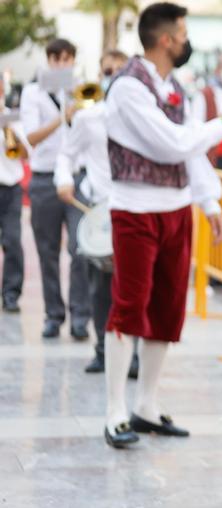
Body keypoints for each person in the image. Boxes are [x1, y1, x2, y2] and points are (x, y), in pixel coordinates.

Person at [101, 3, 222, 449]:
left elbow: (189, 152)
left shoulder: (174, 86)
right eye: (182, 32)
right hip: (135, 209)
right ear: (165, 40)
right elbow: (175, 144)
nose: (185, 40)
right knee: (129, 306)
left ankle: (146, 406)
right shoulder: (127, 89)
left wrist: (209, 200)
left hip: (176, 209)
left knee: (165, 308)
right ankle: (114, 411)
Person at [54, 49, 141, 377]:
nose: (114, 76)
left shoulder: (142, 118)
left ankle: (131, 354)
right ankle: (103, 350)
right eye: (109, 70)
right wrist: (64, 181)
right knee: (99, 284)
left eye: (120, 70)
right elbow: (66, 154)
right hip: (97, 207)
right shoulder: (89, 118)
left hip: (132, 208)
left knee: (132, 286)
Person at [20, 38, 91, 340]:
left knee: (81, 248)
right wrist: (62, 117)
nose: (63, 64)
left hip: (77, 178)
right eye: (57, 59)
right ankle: (53, 314)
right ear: (49, 61)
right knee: (47, 250)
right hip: (44, 178)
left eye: (68, 59)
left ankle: (80, 316)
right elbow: (30, 139)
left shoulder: (81, 92)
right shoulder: (32, 93)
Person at [0, 87, 24, 314]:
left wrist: (7, 127)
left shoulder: (11, 117)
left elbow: (23, 153)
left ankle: (11, 293)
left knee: (13, 241)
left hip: (10, 188)